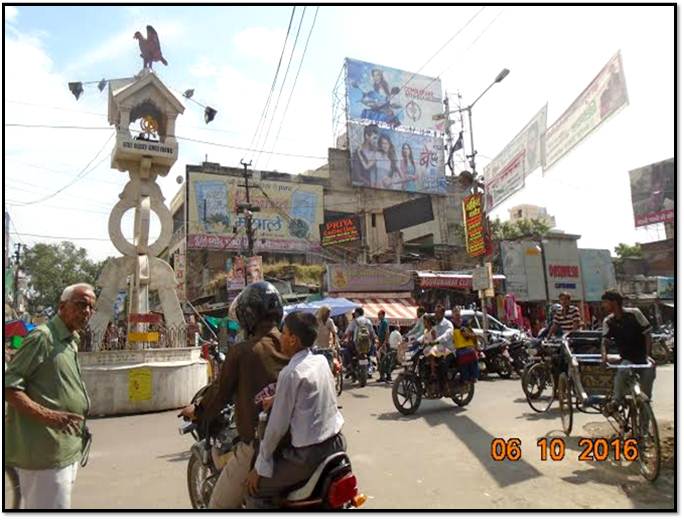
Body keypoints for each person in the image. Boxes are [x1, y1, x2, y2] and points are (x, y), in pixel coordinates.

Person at [179, 282, 290, 509]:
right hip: (300, 441)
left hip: (259, 447)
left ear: (248, 317)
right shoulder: (293, 343)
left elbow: (220, 393)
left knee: (217, 507)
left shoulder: (243, 351)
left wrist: (198, 410)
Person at [5, 283, 96, 509]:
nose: (87, 311)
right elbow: (9, 386)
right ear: (62, 306)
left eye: (91, 307)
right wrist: (48, 416)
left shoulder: (71, 340)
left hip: (67, 448)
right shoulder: (43, 338)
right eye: (81, 304)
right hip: (44, 453)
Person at [245, 312, 346, 508]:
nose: (280, 338)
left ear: (293, 340)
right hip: (337, 443)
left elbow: (276, 428)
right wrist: (277, 397)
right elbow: (311, 391)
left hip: (308, 456)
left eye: (283, 333)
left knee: (254, 489)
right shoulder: (320, 362)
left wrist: (259, 467)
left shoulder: (290, 374)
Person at [600, 290, 656, 415]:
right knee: (623, 370)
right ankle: (616, 401)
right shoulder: (608, 321)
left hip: (643, 359)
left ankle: (644, 429)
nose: (603, 305)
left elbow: (647, 334)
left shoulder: (635, 313)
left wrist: (648, 355)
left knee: (645, 397)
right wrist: (604, 358)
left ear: (614, 303)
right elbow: (605, 342)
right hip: (627, 359)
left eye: (605, 302)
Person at [344, 307, 376, 379]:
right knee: (371, 355)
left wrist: (345, 340)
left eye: (355, 313)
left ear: (357, 313)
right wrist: (372, 342)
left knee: (346, 351)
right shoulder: (368, 321)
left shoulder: (354, 321)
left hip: (356, 345)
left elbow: (348, 333)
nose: (354, 314)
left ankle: (350, 366)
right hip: (367, 345)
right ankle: (370, 368)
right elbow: (372, 334)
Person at [451, 307, 480, 384]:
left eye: (458, 313)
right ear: (452, 315)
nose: (457, 315)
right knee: (463, 361)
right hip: (458, 348)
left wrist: (468, 335)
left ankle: (474, 377)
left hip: (469, 347)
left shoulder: (465, 323)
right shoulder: (451, 325)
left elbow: (473, 335)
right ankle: (465, 379)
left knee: (473, 357)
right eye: (455, 313)